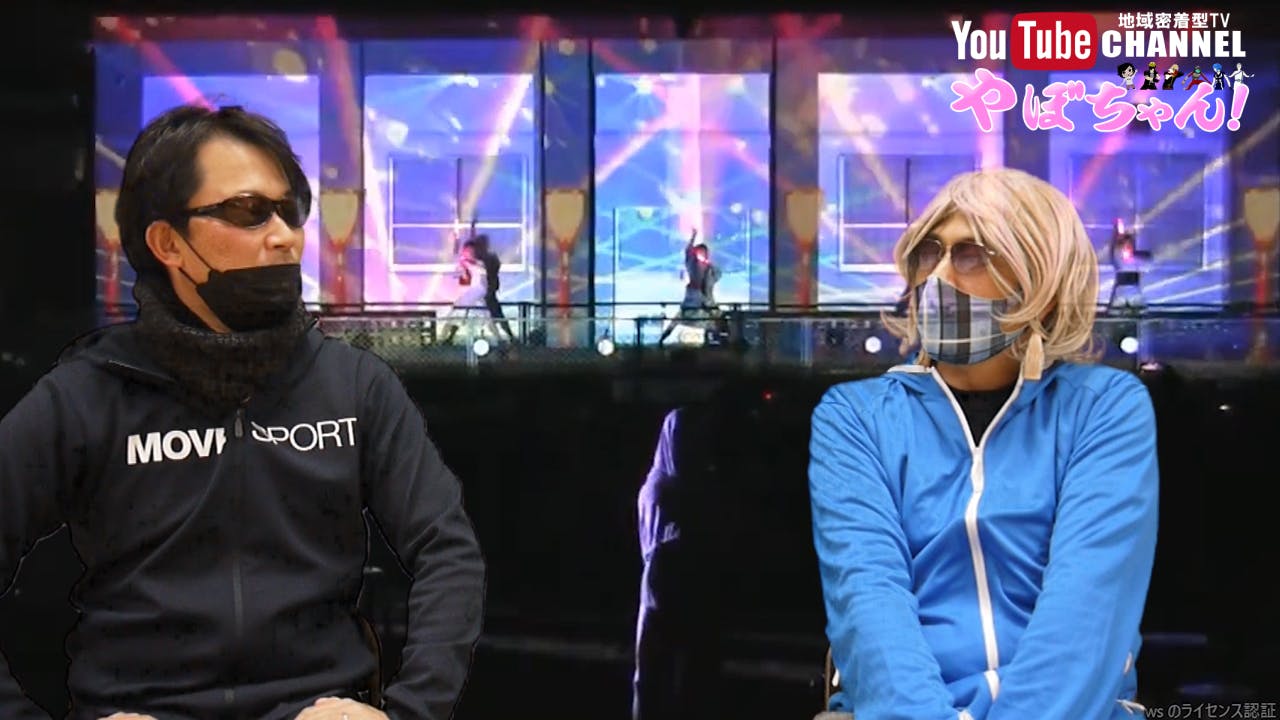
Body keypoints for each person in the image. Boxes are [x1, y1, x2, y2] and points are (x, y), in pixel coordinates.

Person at [0, 104, 486, 720]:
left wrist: (407, 712)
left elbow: (447, 552)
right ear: (169, 243)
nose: (285, 235)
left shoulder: (354, 386)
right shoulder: (85, 397)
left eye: (290, 209)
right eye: (248, 211)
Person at [809, 167, 1159, 719]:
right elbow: (869, 604)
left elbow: (1087, 611)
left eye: (971, 254)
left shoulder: (1105, 407)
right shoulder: (855, 416)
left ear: (1041, 278)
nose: (938, 275)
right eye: (929, 253)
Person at [633, 404, 725, 720]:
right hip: (681, 577)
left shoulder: (651, 486)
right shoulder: (682, 489)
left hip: (654, 580)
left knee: (651, 672)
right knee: (687, 669)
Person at [658, 230, 721, 346]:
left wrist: (709, 266)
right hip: (693, 295)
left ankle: (718, 342)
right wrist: (693, 237)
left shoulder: (710, 269)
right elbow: (688, 252)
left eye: (704, 253)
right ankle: (662, 340)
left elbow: (717, 275)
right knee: (679, 318)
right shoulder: (693, 264)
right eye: (700, 252)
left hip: (706, 298)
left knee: (714, 320)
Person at [438, 239, 503, 345]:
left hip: (479, 289)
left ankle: (443, 338)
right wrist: (462, 269)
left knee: (457, 310)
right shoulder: (466, 263)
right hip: (475, 291)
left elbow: (480, 272)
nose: (467, 253)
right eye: (466, 251)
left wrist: (465, 264)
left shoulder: (479, 263)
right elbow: (461, 275)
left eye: (469, 251)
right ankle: (499, 339)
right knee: (484, 315)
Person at [472, 234, 516, 342]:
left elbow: (491, 271)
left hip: (487, 292)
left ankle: (508, 337)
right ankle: (508, 337)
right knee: (495, 316)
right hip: (484, 291)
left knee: (495, 315)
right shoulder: (486, 258)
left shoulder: (487, 258)